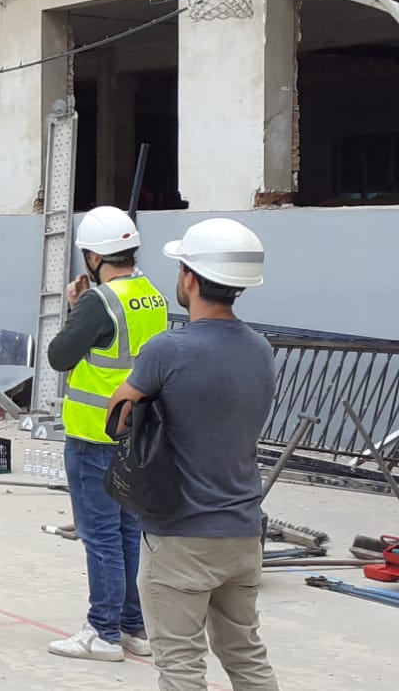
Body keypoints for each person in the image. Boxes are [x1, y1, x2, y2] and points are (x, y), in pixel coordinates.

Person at [111, 219, 278, 691]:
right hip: (243, 532)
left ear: (189, 277)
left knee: (181, 666)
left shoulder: (167, 349)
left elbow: (119, 416)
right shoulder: (260, 349)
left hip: (181, 536)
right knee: (246, 657)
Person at [45, 206, 165, 663]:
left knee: (99, 536)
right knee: (127, 532)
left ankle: (103, 631)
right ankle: (134, 627)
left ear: (94, 256)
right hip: (134, 435)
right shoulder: (151, 294)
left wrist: (77, 309)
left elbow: (59, 356)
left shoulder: (100, 301)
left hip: (94, 435)